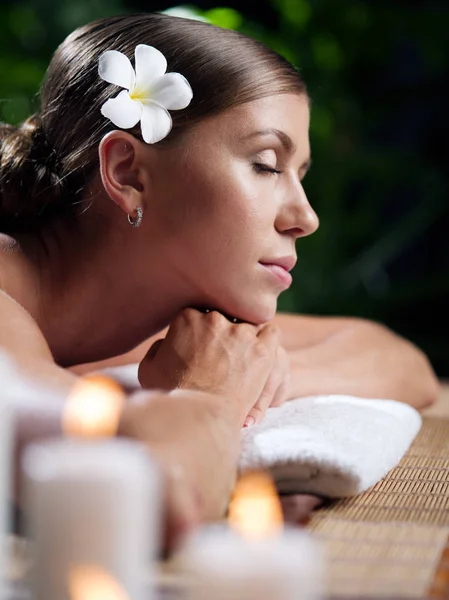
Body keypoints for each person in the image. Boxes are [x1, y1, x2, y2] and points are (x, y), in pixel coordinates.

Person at [0, 13, 439, 546]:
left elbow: (396, 360)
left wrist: (249, 371)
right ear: (128, 173)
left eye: (300, 175)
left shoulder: (146, 314)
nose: (305, 217)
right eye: (266, 164)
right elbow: (152, 494)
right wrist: (212, 395)